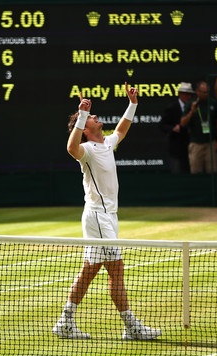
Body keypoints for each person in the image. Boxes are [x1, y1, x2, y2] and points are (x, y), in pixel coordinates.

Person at [53, 82, 161, 341]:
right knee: (117, 269)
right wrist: (80, 114)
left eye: (90, 115)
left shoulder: (106, 144)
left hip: (107, 218)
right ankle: (132, 327)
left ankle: (65, 321)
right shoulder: (86, 150)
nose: (94, 116)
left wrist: (133, 103)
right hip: (98, 216)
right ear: (86, 129)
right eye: (90, 117)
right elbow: (71, 148)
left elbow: (122, 130)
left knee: (90, 270)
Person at [180, 81, 217, 174]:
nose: (206, 94)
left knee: (213, 171)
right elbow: (182, 123)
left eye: (207, 92)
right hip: (196, 144)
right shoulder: (191, 104)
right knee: (196, 171)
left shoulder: (213, 103)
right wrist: (191, 112)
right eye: (203, 92)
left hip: (211, 143)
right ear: (197, 92)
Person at [158, 82, 195, 173]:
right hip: (177, 147)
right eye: (186, 94)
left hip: (191, 145)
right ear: (180, 94)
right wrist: (173, 128)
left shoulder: (194, 107)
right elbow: (162, 125)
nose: (188, 97)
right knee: (177, 171)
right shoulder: (172, 107)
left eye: (190, 95)